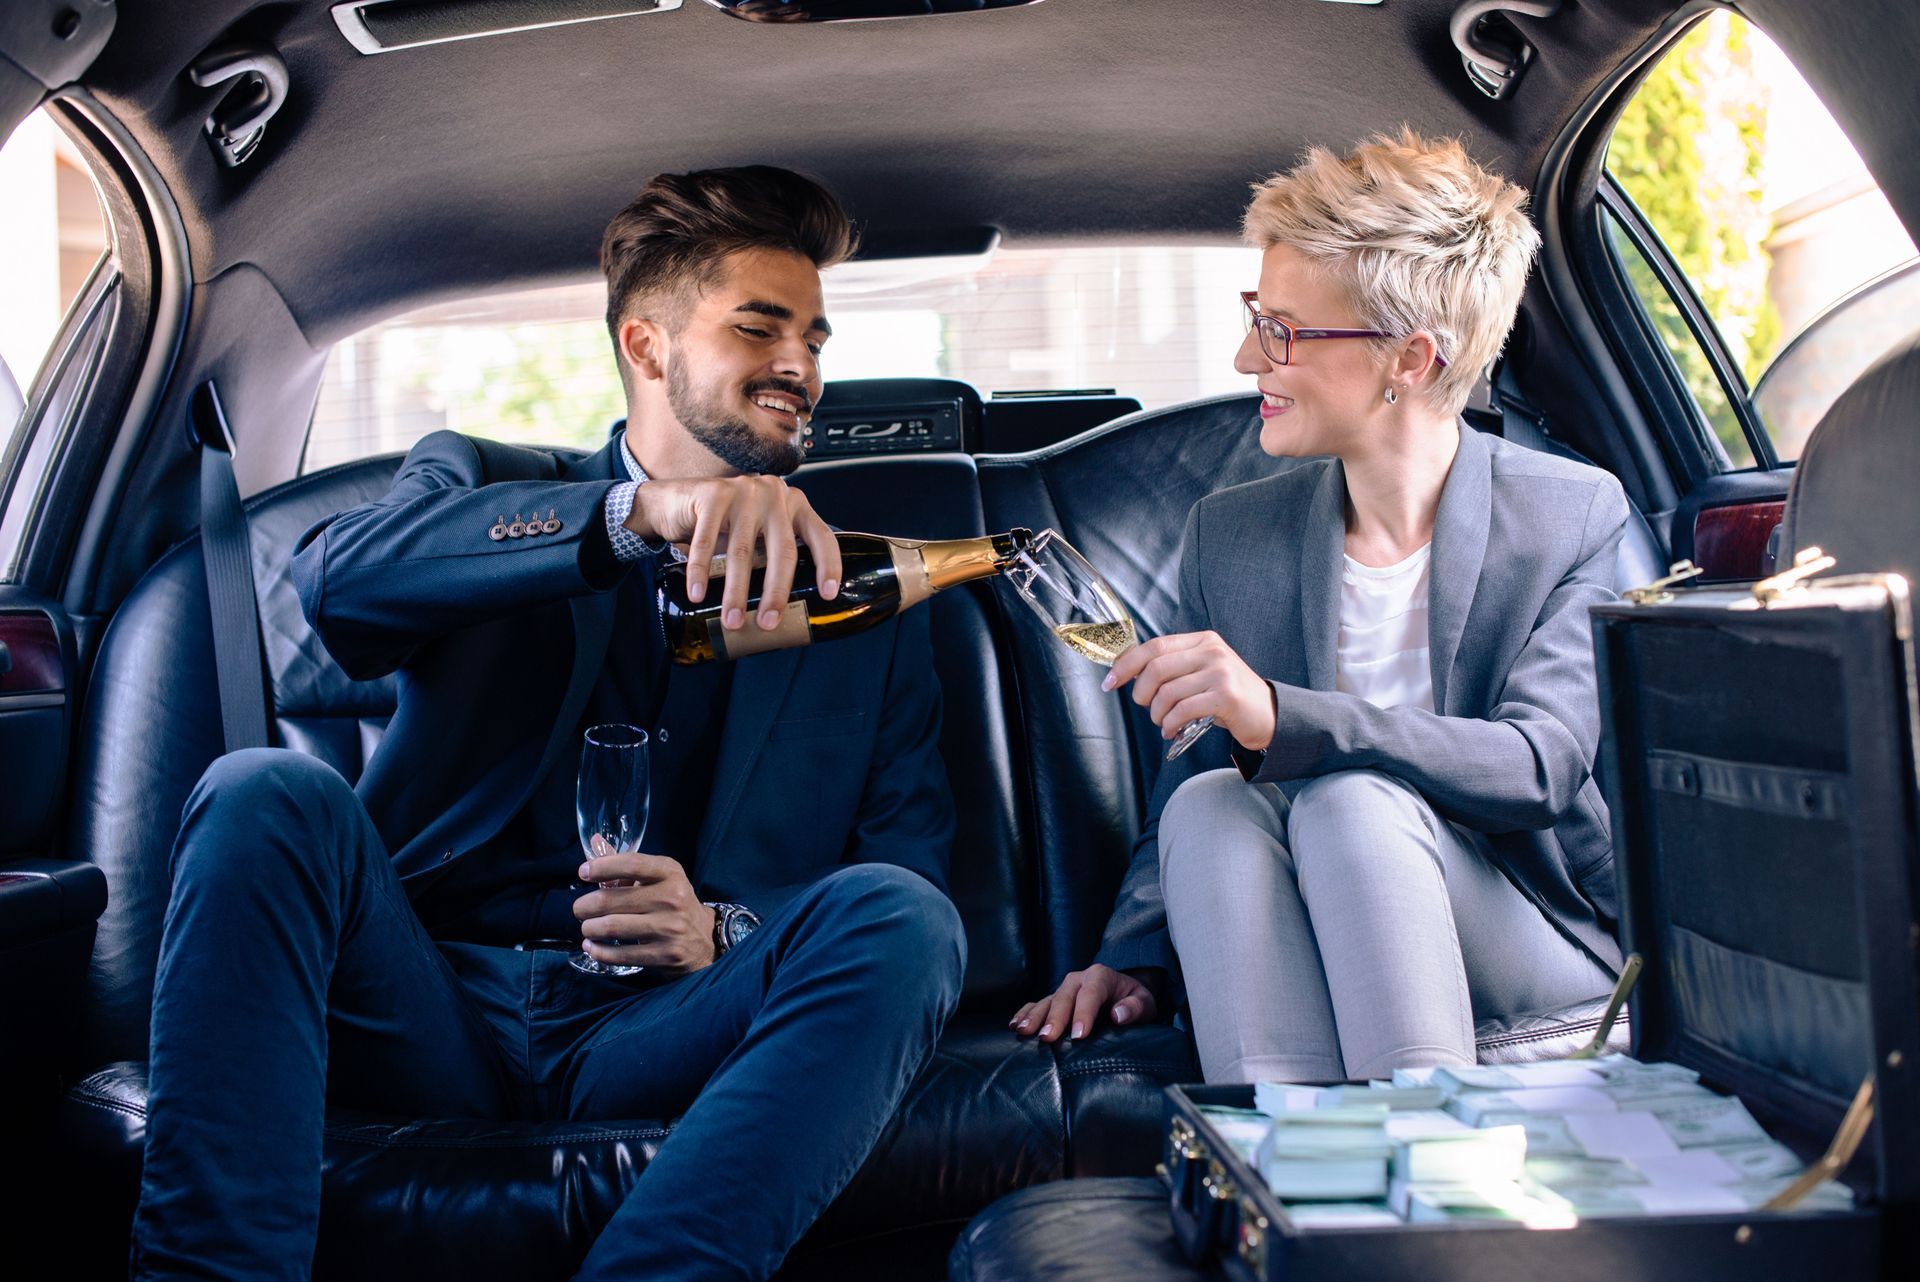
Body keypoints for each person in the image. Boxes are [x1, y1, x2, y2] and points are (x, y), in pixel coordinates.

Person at [132, 166, 966, 1280]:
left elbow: (911, 862)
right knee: (261, 793)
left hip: (665, 1025)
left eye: (816, 337)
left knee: (903, 916)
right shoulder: (480, 484)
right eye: (760, 328)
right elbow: (335, 587)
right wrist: (636, 515)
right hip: (425, 993)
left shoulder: (865, 602)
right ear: (648, 345)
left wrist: (722, 930)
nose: (802, 368)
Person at [1011, 129, 1625, 1083]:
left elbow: (1539, 766)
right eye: (1260, 314)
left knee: (1355, 806)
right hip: (1318, 912)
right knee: (1215, 804)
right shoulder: (1232, 533)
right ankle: (1292, 1175)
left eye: (1285, 330)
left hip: (1526, 929)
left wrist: (1284, 715)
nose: (1247, 353)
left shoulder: (1570, 513)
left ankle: (1424, 1178)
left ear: (1411, 359)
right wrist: (1128, 956)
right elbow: (1192, 768)